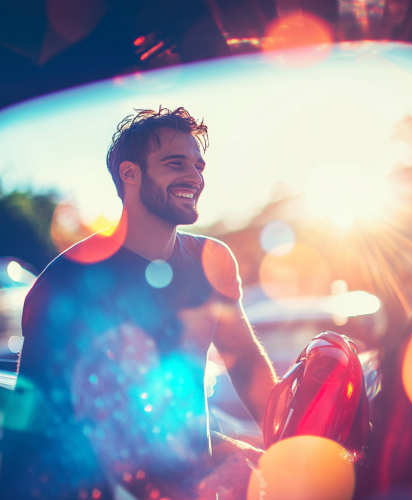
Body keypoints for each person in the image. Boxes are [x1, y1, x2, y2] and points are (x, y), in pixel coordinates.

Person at [0, 107, 277, 500]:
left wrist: (294, 449)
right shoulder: (63, 284)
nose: (194, 177)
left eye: (198, 166)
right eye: (174, 163)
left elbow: (247, 368)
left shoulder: (214, 261)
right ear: (130, 174)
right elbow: (30, 426)